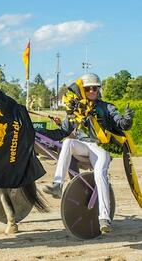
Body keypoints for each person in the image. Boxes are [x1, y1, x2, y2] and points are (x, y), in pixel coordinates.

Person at [40, 73, 134, 233]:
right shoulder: (75, 109)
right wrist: (40, 131)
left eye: (94, 88)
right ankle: (57, 185)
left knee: (100, 175)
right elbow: (62, 132)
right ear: (82, 90)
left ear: (98, 89)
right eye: (88, 88)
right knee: (68, 142)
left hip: (100, 149)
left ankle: (104, 218)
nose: (91, 91)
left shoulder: (106, 107)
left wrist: (127, 121)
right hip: (82, 146)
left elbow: (120, 123)